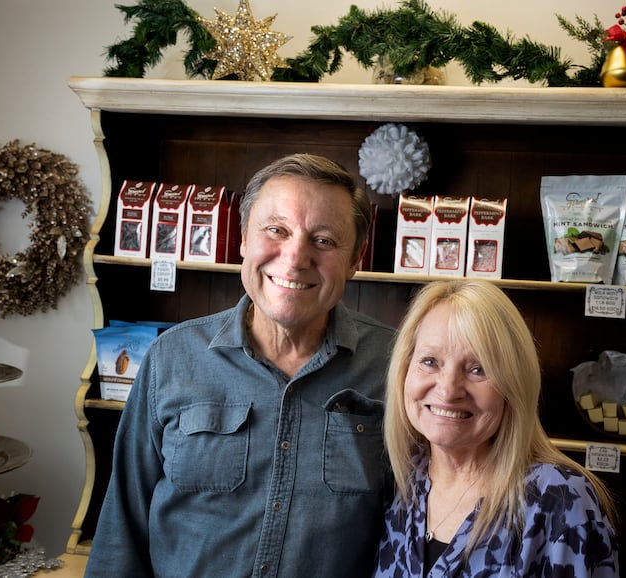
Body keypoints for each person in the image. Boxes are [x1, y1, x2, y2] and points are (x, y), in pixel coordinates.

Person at [85, 154, 395, 578]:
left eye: (324, 240)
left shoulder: (396, 366)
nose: (295, 257)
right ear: (244, 239)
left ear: (356, 259)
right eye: (276, 230)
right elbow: (121, 528)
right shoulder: (171, 358)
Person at [373, 279, 618, 577]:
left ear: (513, 386)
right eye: (430, 362)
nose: (448, 390)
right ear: (404, 370)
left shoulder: (560, 501)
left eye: (478, 369)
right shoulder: (400, 485)